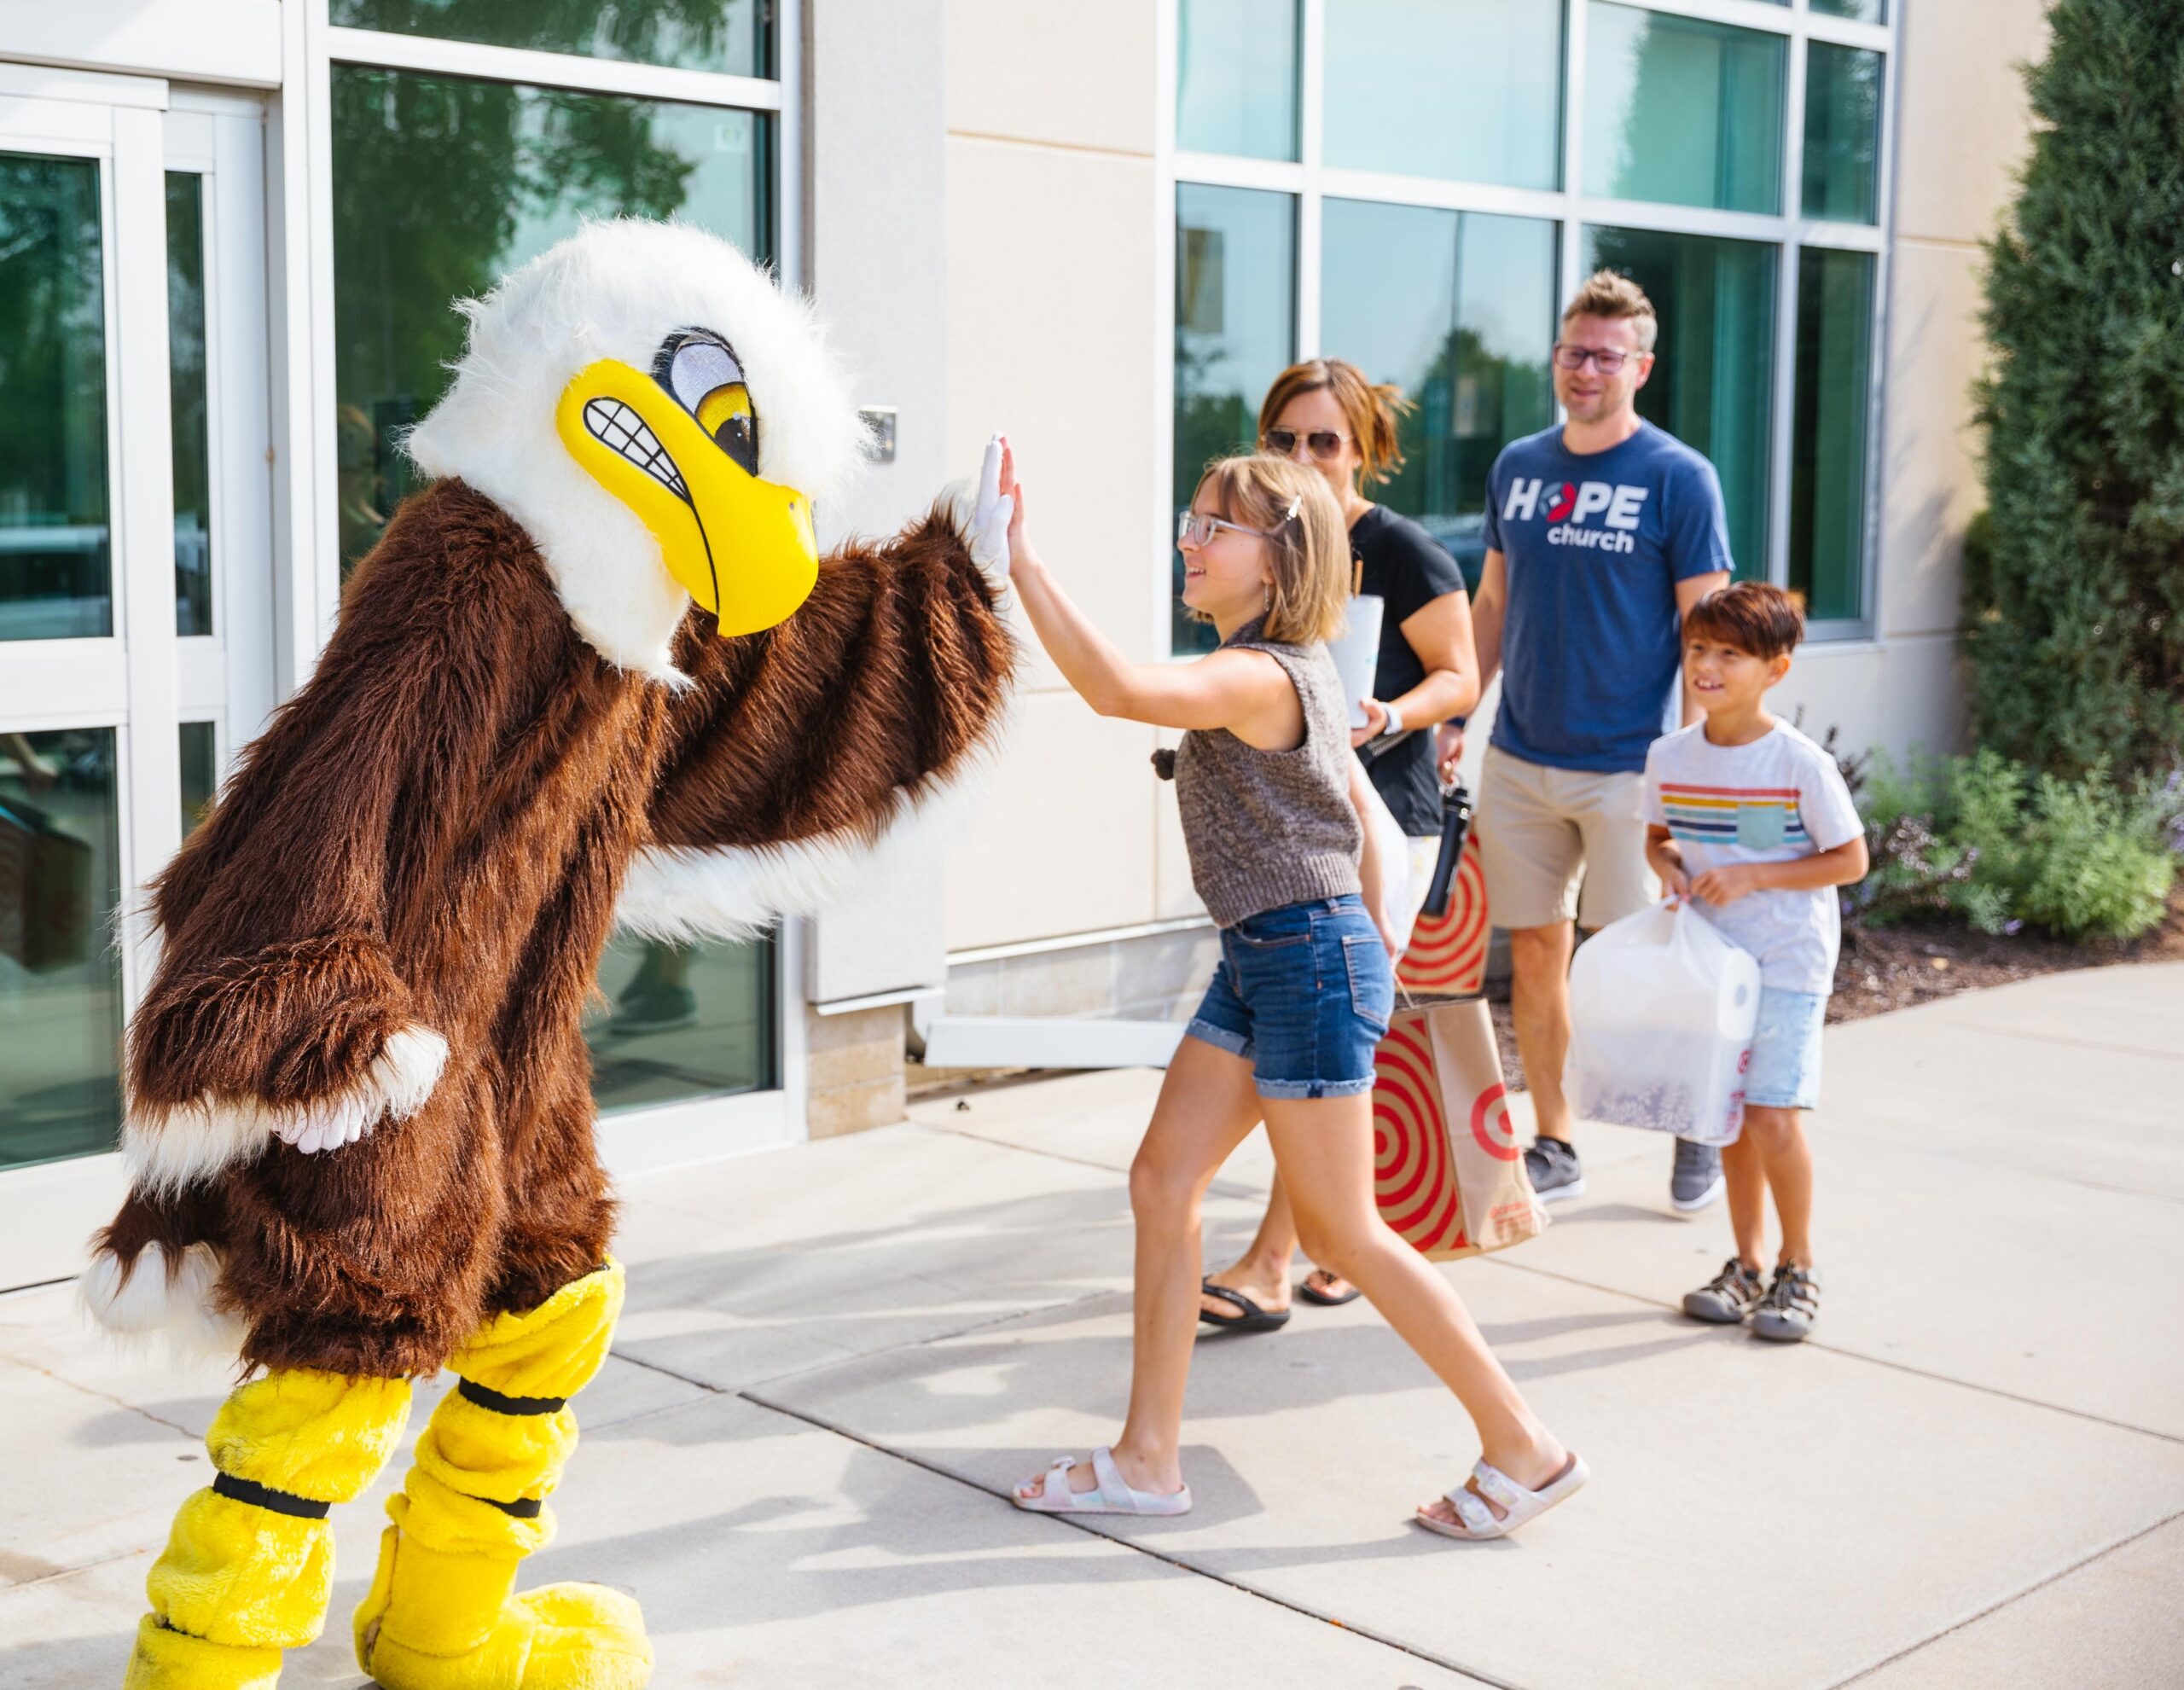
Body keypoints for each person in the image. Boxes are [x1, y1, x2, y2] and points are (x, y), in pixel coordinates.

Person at [1000, 441, 1583, 1539]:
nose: (1191, 539)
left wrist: (1019, 560)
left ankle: (1525, 1447)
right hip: (1277, 955)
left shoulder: (1261, 673)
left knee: (1344, 1231)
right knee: (1162, 1182)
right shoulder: (1293, 666)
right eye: (1194, 518)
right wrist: (1367, 939)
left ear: (1279, 558)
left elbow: (1119, 688)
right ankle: (1147, 1459)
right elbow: (1364, 826)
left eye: (1215, 526)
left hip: (1300, 956)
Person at [1200, 358, 1478, 1326]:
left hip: (1382, 815)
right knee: (1308, 1049)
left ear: (1365, 451)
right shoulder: (1266, 535)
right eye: (1284, 438)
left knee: (1313, 1046)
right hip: (1295, 823)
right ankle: (1325, 1238)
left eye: (1325, 440)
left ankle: (1286, 1255)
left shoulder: (1399, 551)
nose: (1303, 457)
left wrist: (1388, 713)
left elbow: (1460, 677)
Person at [1470, 270, 1733, 1211]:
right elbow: (1493, 601)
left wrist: (1702, 768)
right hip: (1520, 758)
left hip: (1628, 767)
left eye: (1604, 355)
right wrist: (1459, 712)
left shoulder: (1677, 478)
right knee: (1535, 954)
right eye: (1572, 351)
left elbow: (1709, 632)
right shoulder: (1518, 465)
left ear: (1641, 367)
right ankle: (1555, 1139)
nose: (1584, 368)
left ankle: (1695, 1129)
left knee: (1650, 967)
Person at [1644, 583, 1867, 1341]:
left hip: (1786, 960)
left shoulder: (1799, 762)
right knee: (1729, 1118)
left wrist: (1753, 873)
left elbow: (1850, 859)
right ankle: (1744, 1264)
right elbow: (1658, 836)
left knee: (1773, 1115)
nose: (1707, 666)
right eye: (1699, 649)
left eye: (1729, 654)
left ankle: (1797, 1268)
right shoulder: (1669, 755)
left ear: (1776, 669)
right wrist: (1671, 867)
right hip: (1711, 963)